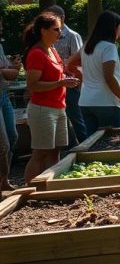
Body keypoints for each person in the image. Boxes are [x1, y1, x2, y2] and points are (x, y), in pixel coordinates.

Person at [22, 13, 79, 184]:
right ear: (43, 31)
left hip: (59, 107)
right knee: (40, 152)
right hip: (42, 109)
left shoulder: (52, 50)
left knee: (56, 150)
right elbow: (33, 85)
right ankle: (29, 188)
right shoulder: (37, 53)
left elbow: (58, 72)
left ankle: (49, 185)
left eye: (60, 29)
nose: (60, 33)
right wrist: (60, 82)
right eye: (56, 29)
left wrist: (68, 75)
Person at [79, 11, 120, 135]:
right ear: (113, 28)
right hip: (106, 103)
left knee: (91, 146)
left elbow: (72, 63)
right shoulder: (109, 47)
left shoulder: (87, 46)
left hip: (85, 102)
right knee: (109, 144)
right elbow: (109, 77)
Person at [45, 5, 86, 145]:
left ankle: (85, 145)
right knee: (62, 119)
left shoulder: (72, 36)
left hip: (70, 84)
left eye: (53, 18)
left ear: (62, 18)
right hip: (55, 84)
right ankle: (70, 147)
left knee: (76, 116)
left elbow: (79, 61)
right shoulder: (46, 39)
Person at [0, 17, 20, 191]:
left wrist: (13, 66)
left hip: (3, 94)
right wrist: (6, 71)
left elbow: (10, 73)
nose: (1, 27)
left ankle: (4, 180)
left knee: (13, 136)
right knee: (3, 144)